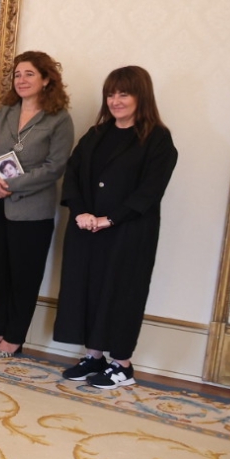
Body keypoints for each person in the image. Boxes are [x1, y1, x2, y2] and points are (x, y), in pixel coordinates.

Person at [54, 66, 178, 390]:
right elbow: (73, 173)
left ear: (141, 96)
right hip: (86, 228)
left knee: (122, 293)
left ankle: (122, 365)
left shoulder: (158, 139)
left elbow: (150, 191)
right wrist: (80, 212)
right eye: (110, 94)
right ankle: (94, 356)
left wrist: (110, 220)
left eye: (124, 93)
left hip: (129, 232)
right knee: (86, 289)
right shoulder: (96, 134)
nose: (115, 100)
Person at [0, 52, 75, 357]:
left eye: (29, 74)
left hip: (31, 212)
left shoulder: (59, 119)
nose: (21, 80)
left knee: (24, 277)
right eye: (17, 74)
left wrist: (9, 185)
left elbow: (55, 167)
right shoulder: (5, 112)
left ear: (46, 79)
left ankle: (14, 337)